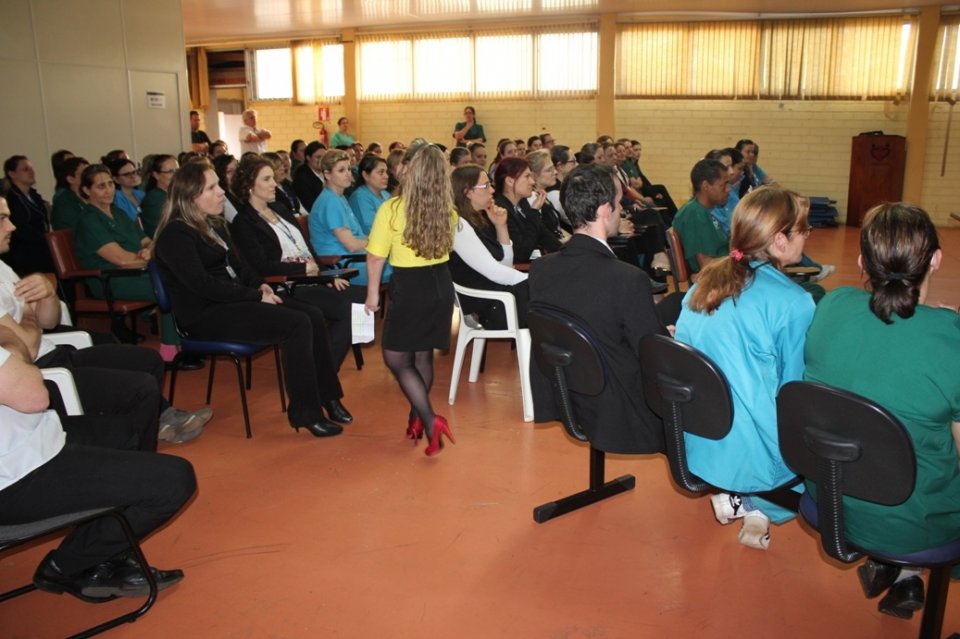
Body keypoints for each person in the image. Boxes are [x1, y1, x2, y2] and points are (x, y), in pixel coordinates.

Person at [803, 202, 960, 619]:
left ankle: (899, 570)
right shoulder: (950, 339)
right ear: (937, 260)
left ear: (861, 261)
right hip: (911, 522)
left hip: (832, 497)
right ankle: (905, 567)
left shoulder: (832, 307)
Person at [154, 160, 349, 437]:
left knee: (313, 315)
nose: (221, 192)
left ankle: (328, 396)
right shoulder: (176, 234)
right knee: (297, 324)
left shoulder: (213, 226)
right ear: (191, 197)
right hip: (206, 314)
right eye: (212, 187)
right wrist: (256, 295)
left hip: (232, 302)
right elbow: (203, 285)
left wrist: (261, 286)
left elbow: (240, 268)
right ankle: (306, 413)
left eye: (219, 185)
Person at [0, 328, 196, 603]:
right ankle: (66, 566)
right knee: (175, 480)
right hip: (16, 473)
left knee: (128, 429)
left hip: (33, 439)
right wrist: (8, 338)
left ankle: (106, 550)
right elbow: (33, 394)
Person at [1, 194, 210, 445]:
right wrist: (27, 315)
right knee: (140, 388)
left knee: (149, 360)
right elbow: (29, 345)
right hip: (40, 370)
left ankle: (157, 420)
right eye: (2, 218)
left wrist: (47, 294)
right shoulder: (90, 220)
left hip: (54, 351)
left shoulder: (3, 267)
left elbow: (48, 322)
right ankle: (140, 453)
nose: (12, 226)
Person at [674, 186, 816, 550]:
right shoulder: (794, 302)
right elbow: (797, 394)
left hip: (697, 442)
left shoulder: (701, 284)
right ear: (780, 240)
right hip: (754, 455)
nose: (808, 234)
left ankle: (750, 503)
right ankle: (756, 501)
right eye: (803, 228)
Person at [528, 163, 667, 455]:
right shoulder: (627, 279)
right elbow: (653, 355)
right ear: (605, 210)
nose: (620, 210)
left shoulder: (541, 269)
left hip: (569, 393)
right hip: (621, 407)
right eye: (618, 204)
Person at [364, 144, 456, 456]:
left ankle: (431, 421)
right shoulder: (448, 208)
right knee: (421, 356)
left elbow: (376, 258)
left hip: (410, 287)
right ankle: (416, 418)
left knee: (395, 358)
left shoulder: (391, 208)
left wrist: (373, 294)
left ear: (410, 171)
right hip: (441, 284)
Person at [229, 156, 358, 373]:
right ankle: (324, 372)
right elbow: (261, 266)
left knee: (362, 299)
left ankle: (321, 365)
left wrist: (328, 276)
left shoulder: (280, 209)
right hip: (288, 285)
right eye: (267, 179)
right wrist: (301, 269)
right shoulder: (244, 222)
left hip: (311, 279)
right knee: (348, 309)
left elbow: (308, 249)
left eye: (273, 178)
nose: (274, 184)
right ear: (250, 186)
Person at [74, 164, 180, 351]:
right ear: (86, 190)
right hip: (111, 279)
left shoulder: (118, 213)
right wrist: (151, 258)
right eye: (101, 186)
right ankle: (171, 349)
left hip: (139, 271)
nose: (108, 190)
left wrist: (148, 251)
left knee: (179, 277)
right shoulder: (89, 220)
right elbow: (121, 259)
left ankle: (187, 339)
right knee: (170, 283)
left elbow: (149, 241)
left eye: (110, 184)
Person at [449, 164, 528, 329]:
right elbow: (494, 272)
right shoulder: (458, 225)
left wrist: (501, 227)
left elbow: (504, 265)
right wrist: (534, 280)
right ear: (467, 192)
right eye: (486, 186)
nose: (492, 190)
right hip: (489, 303)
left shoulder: (478, 219)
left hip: (498, 294)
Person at [309, 150, 387, 287]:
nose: (348, 174)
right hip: (342, 264)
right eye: (341, 170)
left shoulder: (340, 197)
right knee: (400, 267)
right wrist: (381, 242)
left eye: (349, 169)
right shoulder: (330, 201)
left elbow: (359, 237)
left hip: (355, 257)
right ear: (327, 174)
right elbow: (351, 245)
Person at [494, 157, 562, 263]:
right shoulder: (499, 209)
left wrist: (565, 251)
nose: (532, 181)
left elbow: (544, 236)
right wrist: (534, 212)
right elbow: (521, 253)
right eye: (527, 176)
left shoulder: (522, 202)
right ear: (510, 181)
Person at [670, 159, 731, 275]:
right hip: (718, 278)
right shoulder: (694, 214)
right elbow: (707, 265)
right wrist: (740, 260)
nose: (728, 190)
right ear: (706, 186)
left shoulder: (701, 209)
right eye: (724, 185)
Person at [1, 155, 54, 276]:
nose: (31, 172)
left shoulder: (34, 196)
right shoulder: (11, 198)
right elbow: (21, 229)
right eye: (25, 169)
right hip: (22, 251)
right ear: (12, 174)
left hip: (40, 245)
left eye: (31, 168)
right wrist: (47, 239)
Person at [349, 154, 390, 235]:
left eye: (386, 172)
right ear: (365, 175)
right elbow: (370, 229)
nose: (386, 176)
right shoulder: (360, 197)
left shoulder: (385, 194)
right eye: (381, 172)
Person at [140, 154, 178, 237]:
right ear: (156, 175)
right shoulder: (154, 199)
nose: (176, 175)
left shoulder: (175, 194)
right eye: (170, 172)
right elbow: (163, 231)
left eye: (177, 170)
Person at [50, 156, 90, 231]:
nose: (90, 177)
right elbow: (84, 229)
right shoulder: (64, 202)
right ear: (71, 179)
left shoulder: (90, 196)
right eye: (84, 174)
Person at [109, 157, 146, 224]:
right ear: (116, 179)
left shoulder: (141, 194)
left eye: (134, 172)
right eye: (127, 174)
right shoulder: (116, 199)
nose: (133, 176)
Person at [292, 141, 326, 211]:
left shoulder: (327, 172)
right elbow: (311, 206)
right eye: (318, 157)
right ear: (308, 158)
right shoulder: (301, 179)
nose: (322, 160)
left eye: (324, 157)